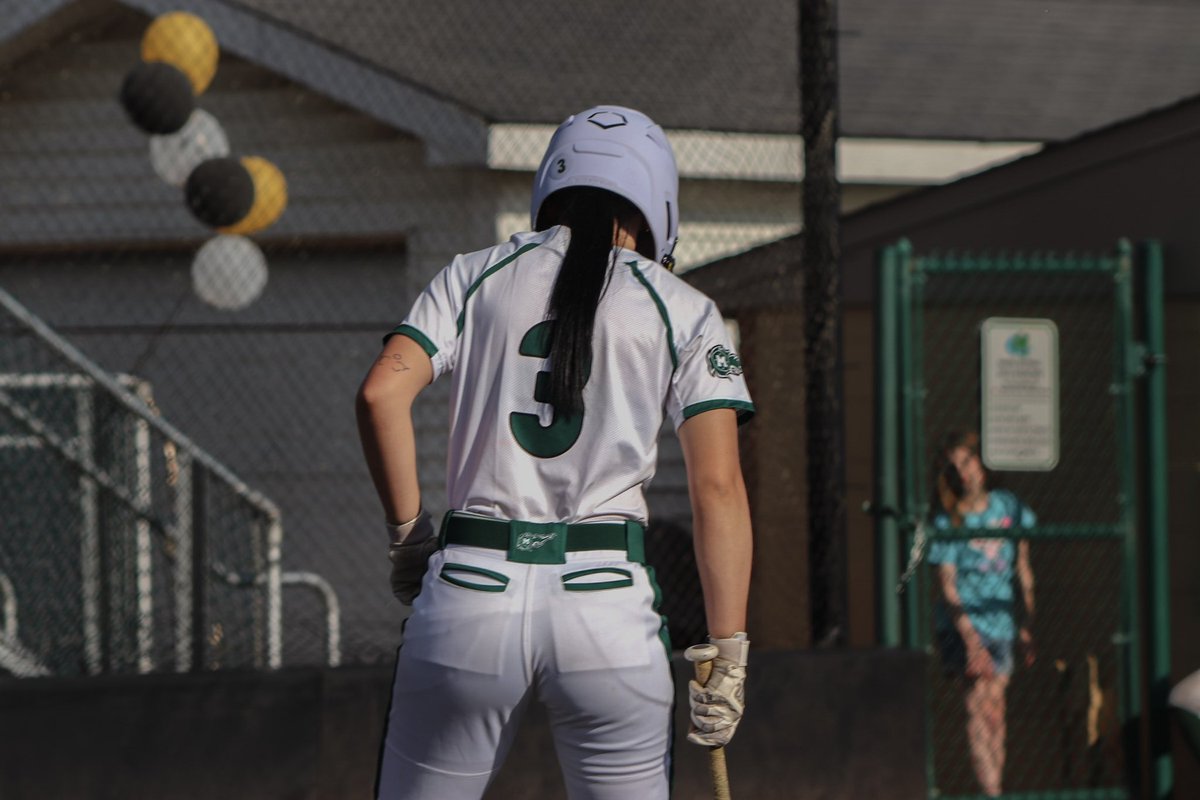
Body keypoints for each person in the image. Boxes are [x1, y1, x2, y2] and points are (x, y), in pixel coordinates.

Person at [356, 105, 755, 800]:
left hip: (469, 593)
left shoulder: (472, 274)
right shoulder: (682, 306)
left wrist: (408, 541)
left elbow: (379, 396)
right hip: (605, 605)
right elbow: (717, 488)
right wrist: (729, 650)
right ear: (656, 207)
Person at [927, 430, 1036, 798]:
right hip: (964, 627)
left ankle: (996, 787)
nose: (964, 472)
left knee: (996, 712)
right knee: (978, 706)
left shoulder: (1009, 507)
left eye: (968, 461)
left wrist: (1026, 623)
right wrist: (971, 641)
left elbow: (1022, 566)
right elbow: (947, 586)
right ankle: (989, 791)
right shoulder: (948, 523)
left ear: (981, 464)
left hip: (1002, 623)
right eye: (954, 467)